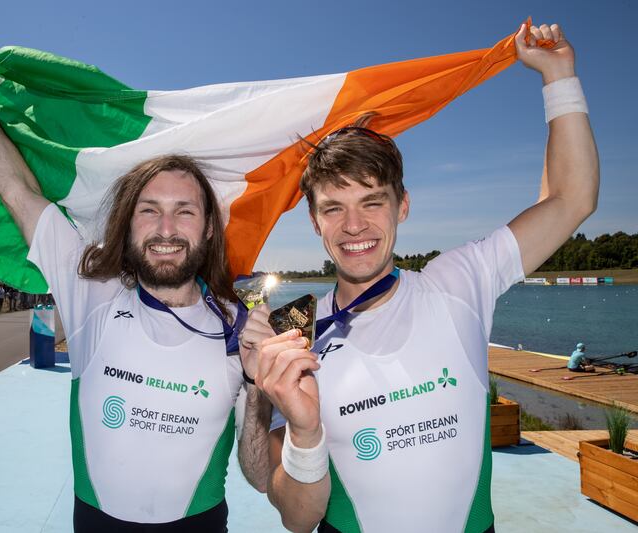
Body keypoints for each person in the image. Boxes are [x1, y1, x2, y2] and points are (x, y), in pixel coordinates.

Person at [249, 23, 598, 532]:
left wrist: (558, 75)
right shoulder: (294, 331)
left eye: (372, 202)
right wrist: (304, 432)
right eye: (334, 208)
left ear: (402, 206)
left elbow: (571, 200)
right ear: (314, 221)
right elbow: (299, 520)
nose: (354, 226)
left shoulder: (457, 281)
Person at [0, 64, 268, 531]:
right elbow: (17, 192)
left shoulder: (241, 325)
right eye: (149, 211)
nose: (165, 230)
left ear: (208, 228)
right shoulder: (91, 294)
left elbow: (260, 477)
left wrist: (260, 389)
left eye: (184, 212)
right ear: (128, 221)